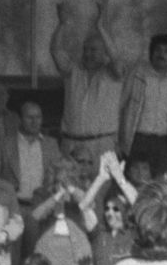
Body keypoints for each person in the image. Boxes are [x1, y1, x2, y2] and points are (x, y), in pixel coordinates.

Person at [51, 10, 124, 165]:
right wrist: (61, 25)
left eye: (93, 50)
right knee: (68, 186)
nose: (88, 54)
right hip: (71, 143)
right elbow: (56, 51)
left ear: (105, 52)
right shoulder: (72, 71)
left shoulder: (113, 74)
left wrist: (101, 29)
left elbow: (116, 58)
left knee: (103, 188)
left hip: (102, 143)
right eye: (85, 49)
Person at [119, 33, 167, 175]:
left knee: (158, 182)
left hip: (161, 142)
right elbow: (121, 104)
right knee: (132, 178)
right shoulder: (138, 74)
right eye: (158, 50)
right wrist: (117, 139)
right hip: (136, 138)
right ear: (152, 52)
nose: (161, 54)